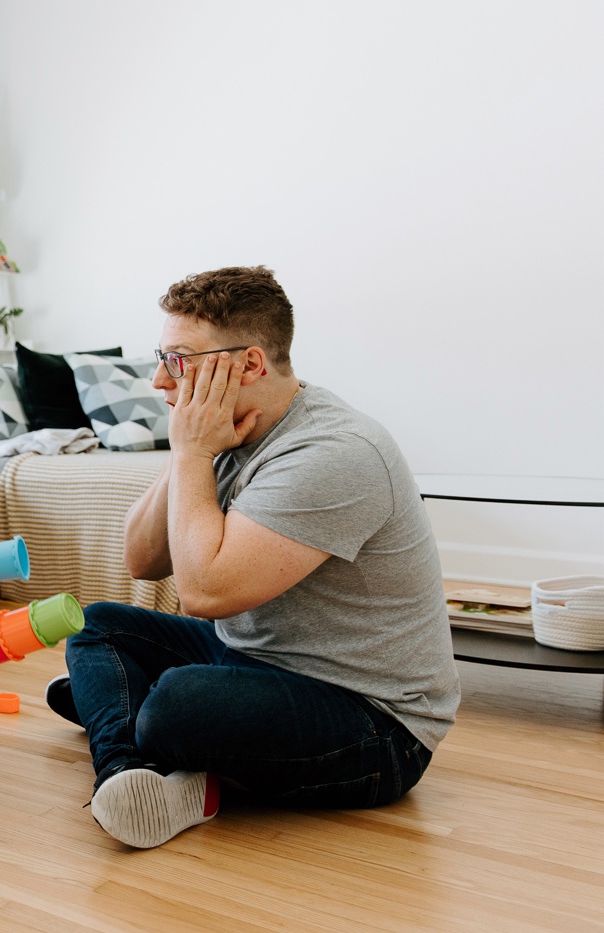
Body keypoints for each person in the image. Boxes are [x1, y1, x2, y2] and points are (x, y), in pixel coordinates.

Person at [46, 265, 460, 849]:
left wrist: (192, 453)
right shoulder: (229, 434)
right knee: (95, 625)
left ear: (249, 363)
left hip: (374, 721)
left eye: (180, 360)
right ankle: (127, 766)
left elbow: (205, 593)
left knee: (176, 706)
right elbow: (141, 561)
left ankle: (122, 716)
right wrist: (187, 449)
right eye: (160, 358)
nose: (162, 382)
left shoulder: (335, 450)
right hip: (253, 660)